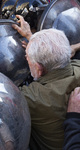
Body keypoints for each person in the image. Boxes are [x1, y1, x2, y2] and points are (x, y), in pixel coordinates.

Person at [13, 15, 80, 149]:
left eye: (28, 57)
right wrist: (31, 37)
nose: (26, 57)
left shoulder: (31, 99)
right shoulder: (77, 65)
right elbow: (55, 53)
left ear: (38, 68)